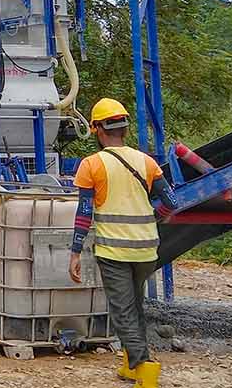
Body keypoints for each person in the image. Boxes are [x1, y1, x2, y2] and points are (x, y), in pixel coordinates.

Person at [68, 98, 175, 388]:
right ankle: (130, 364)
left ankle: (145, 368)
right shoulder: (147, 162)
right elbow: (172, 201)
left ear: (97, 129)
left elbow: (84, 214)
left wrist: (75, 252)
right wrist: (153, 218)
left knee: (122, 310)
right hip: (146, 249)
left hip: (113, 250)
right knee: (135, 306)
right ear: (124, 129)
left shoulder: (91, 165)